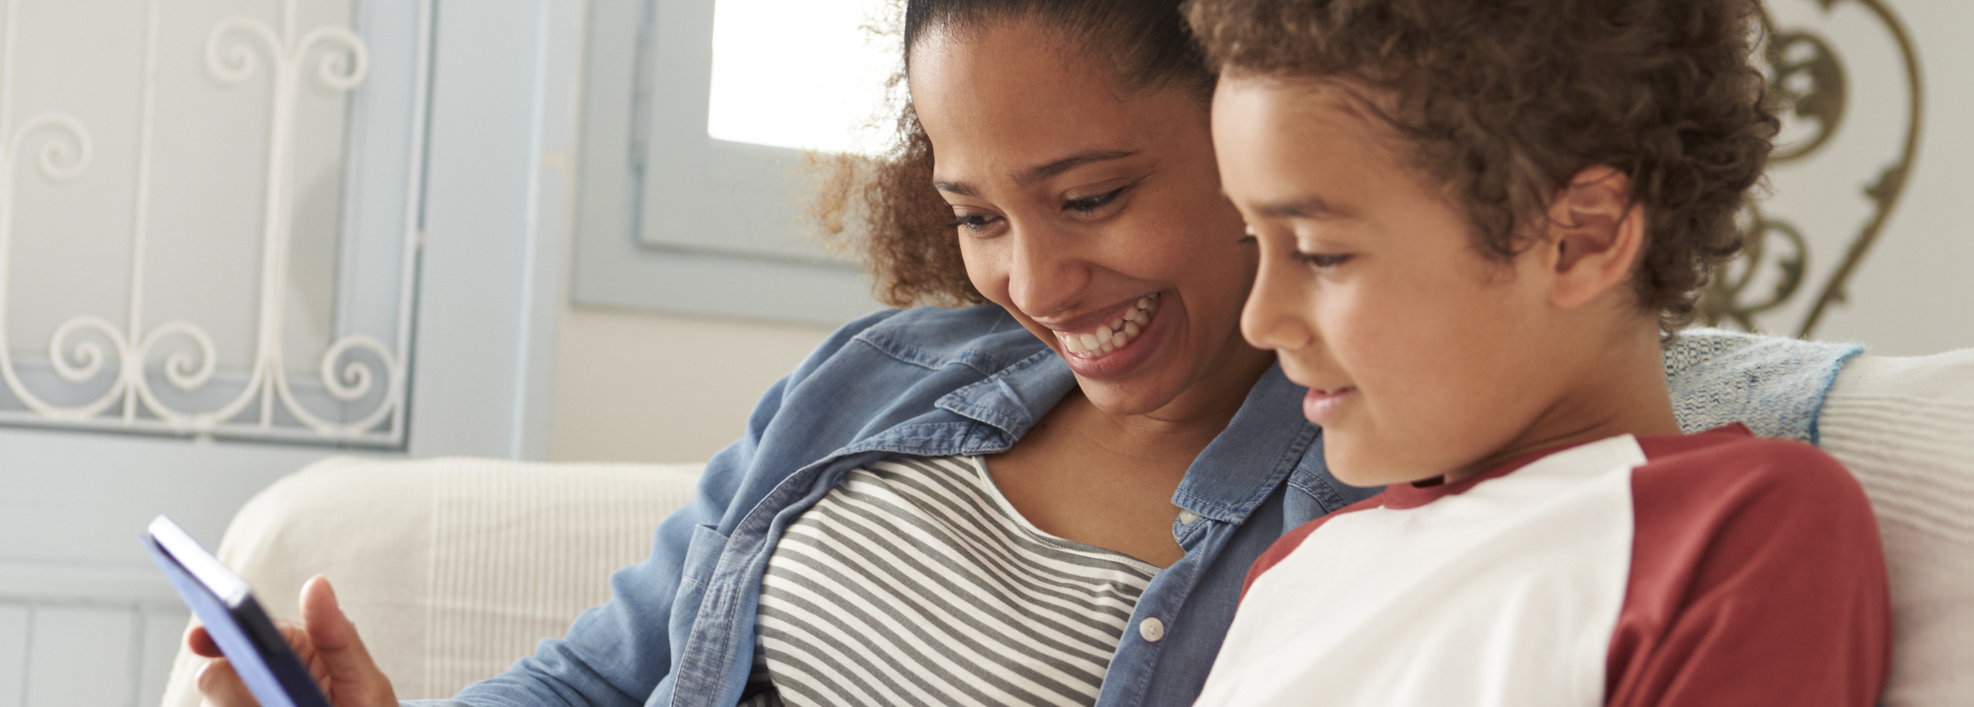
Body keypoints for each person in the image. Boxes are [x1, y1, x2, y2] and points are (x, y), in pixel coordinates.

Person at [191, 1, 1372, 706]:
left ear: (1253, 133)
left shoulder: (1344, 507)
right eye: (978, 216)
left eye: (1092, 196)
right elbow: (603, 678)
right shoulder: (877, 379)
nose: (1036, 281)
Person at [1186, 0, 1892, 704]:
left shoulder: (1734, 527)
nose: (1260, 318)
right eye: (1253, 239)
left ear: (1578, 241)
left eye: (1320, 253)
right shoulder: (1296, 570)